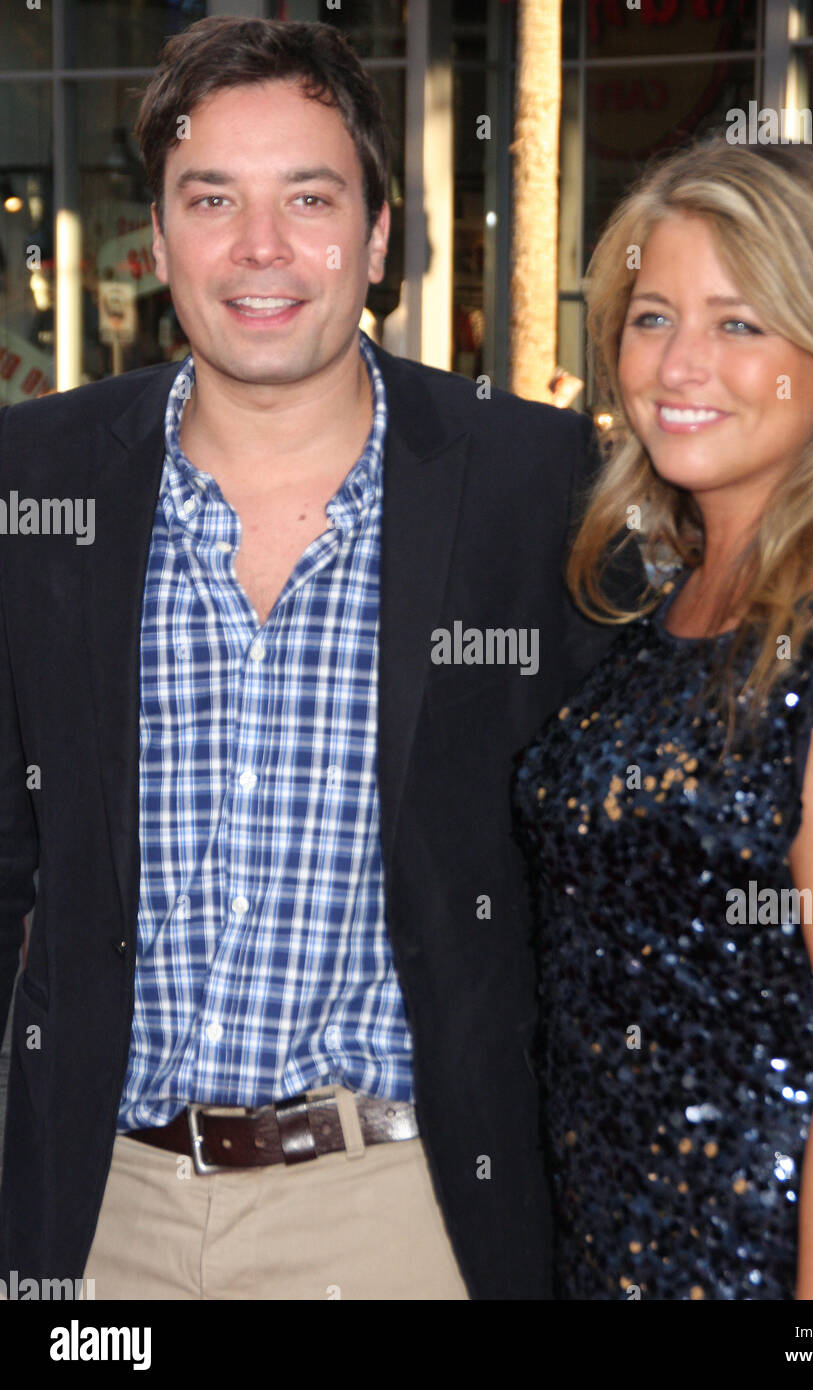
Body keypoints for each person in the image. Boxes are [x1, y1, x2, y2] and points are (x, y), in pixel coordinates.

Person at [0, 16, 636, 1300]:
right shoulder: (36, 480)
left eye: (309, 196)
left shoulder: (532, 482)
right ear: (164, 238)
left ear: (380, 233)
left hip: (395, 1220)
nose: (261, 249)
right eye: (211, 198)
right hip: (96, 1224)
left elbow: (630, 830)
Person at [512, 138, 813, 1300]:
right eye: (652, 316)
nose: (679, 363)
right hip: (607, 1254)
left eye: (740, 324)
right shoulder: (664, 612)